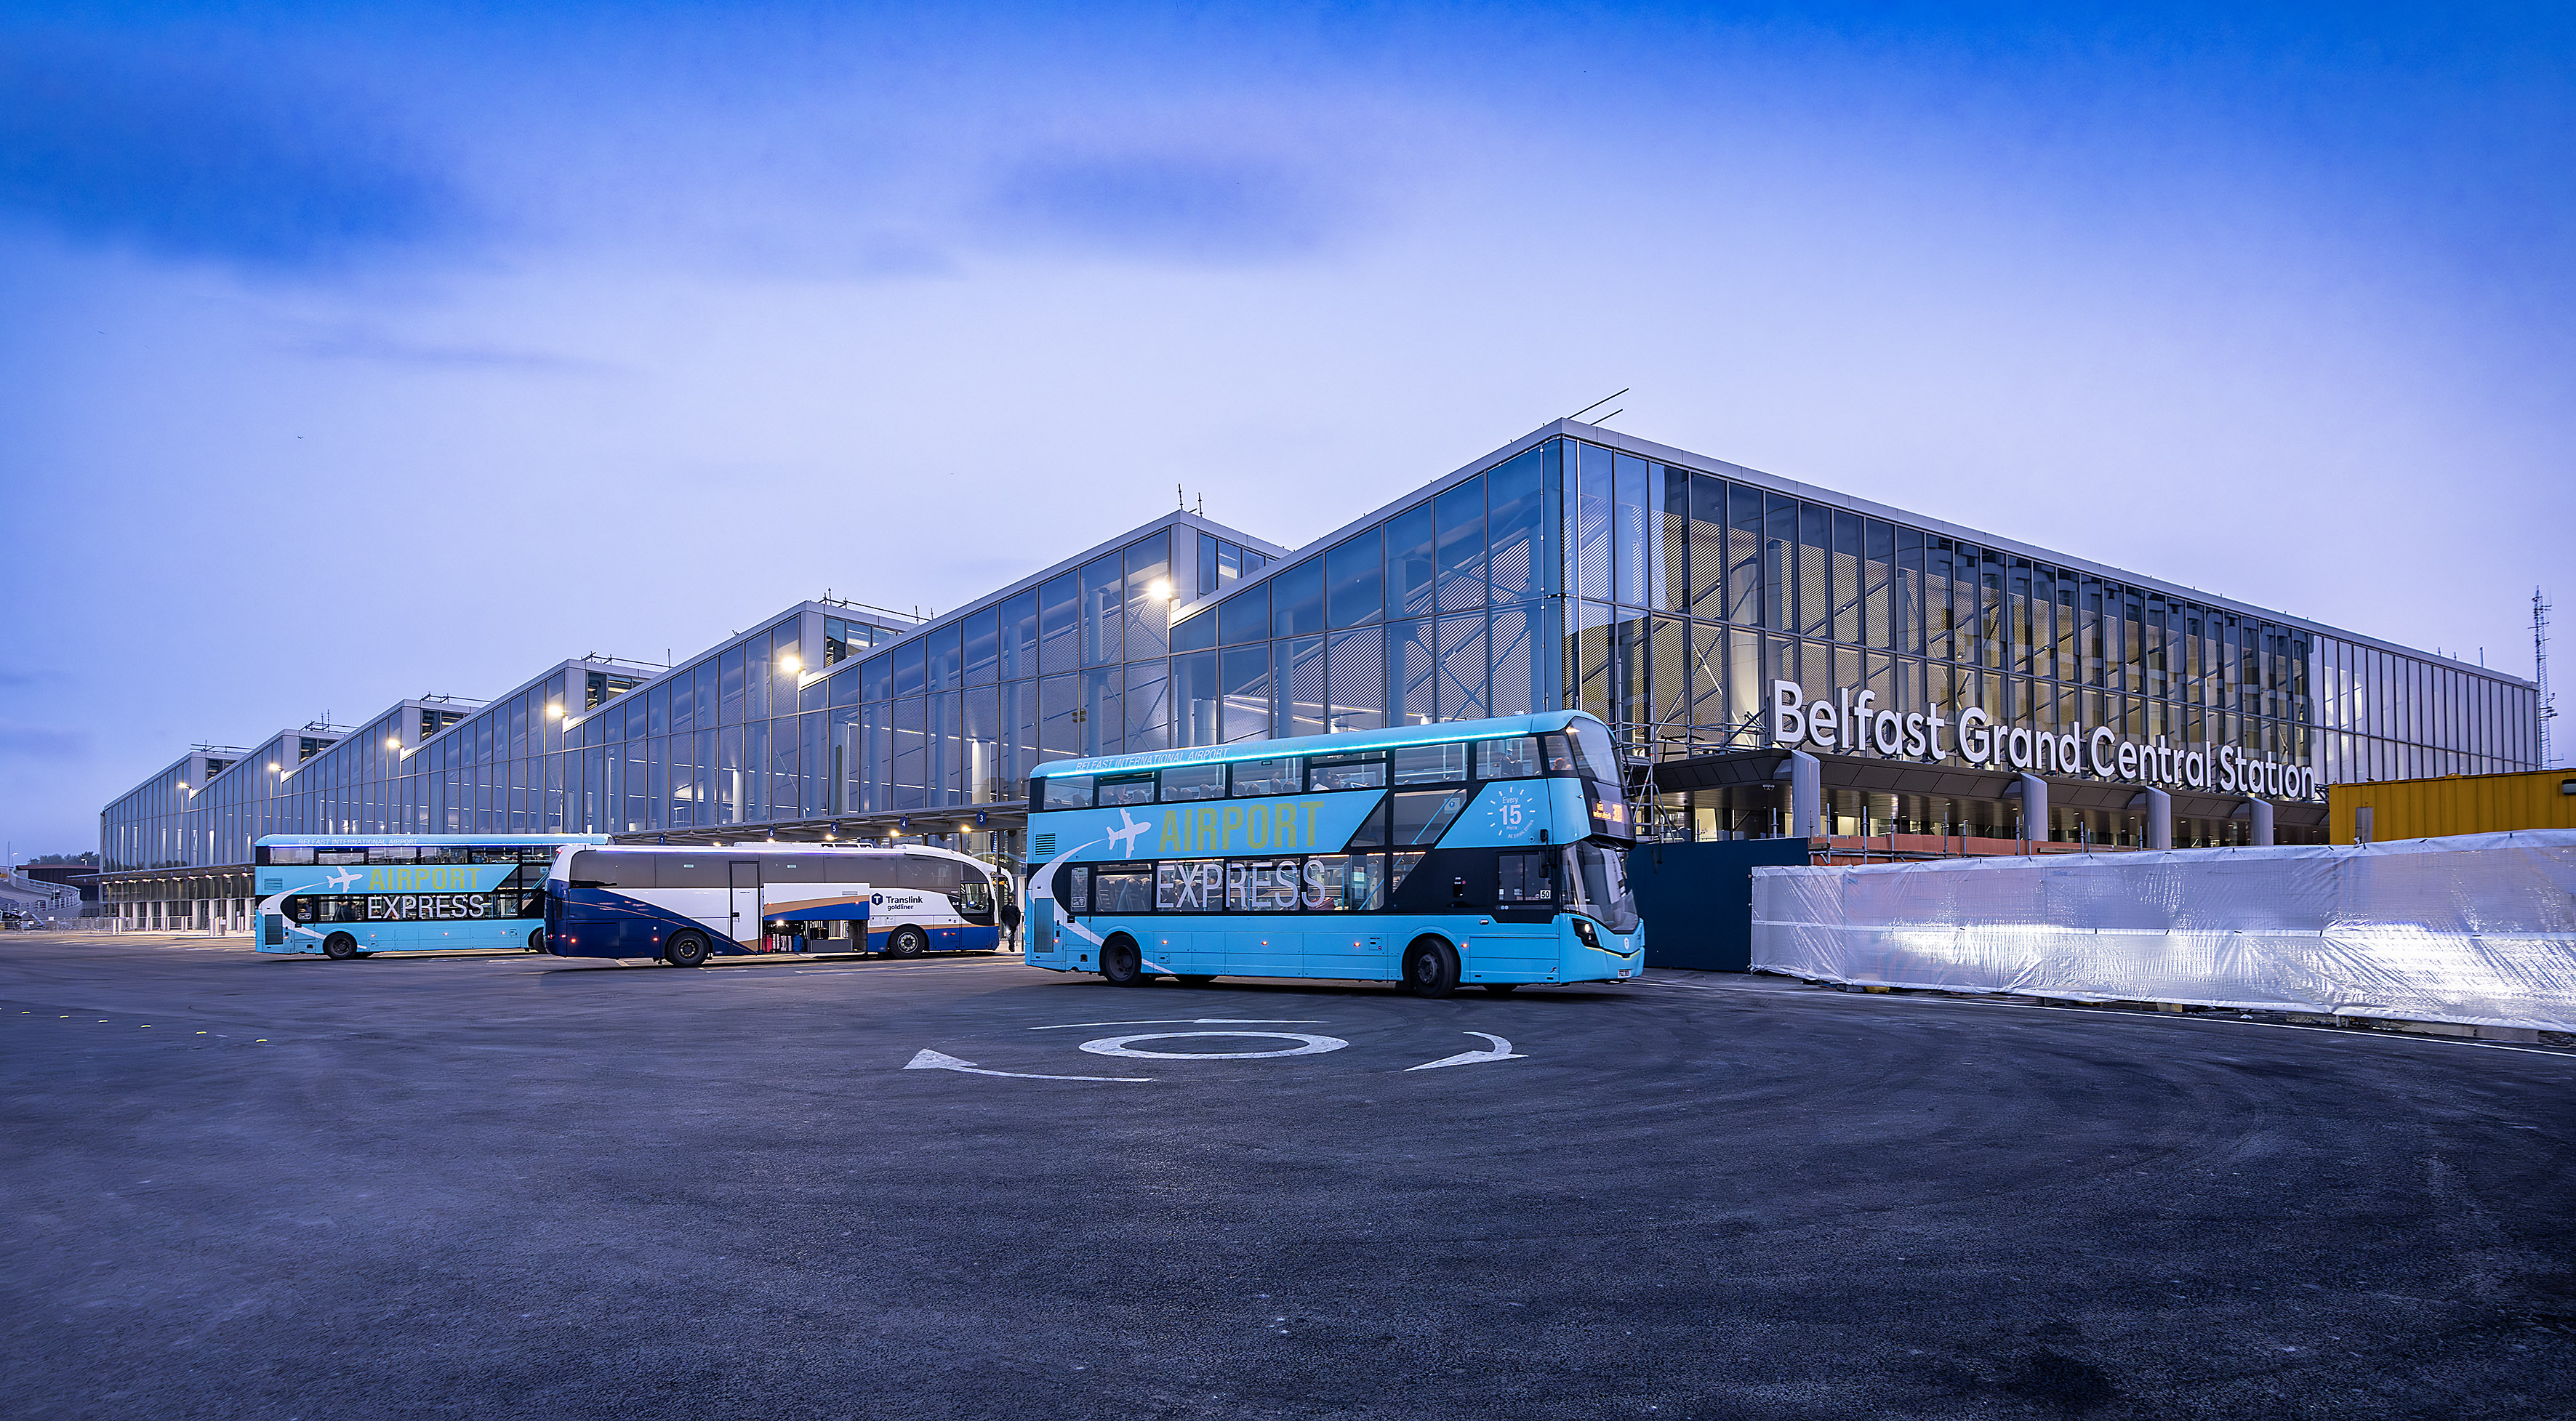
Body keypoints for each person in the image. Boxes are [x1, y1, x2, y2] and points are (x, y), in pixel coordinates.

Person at [998, 879, 1022, 951]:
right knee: (1013, 935)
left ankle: (1011, 946)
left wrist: (1005, 922)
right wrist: (1018, 922)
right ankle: (1012, 945)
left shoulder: (1005, 908)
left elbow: (1002, 916)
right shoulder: (1015, 908)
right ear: (1012, 900)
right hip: (1014, 923)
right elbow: (1018, 915)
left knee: (1009, 935)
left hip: (1008, 923)